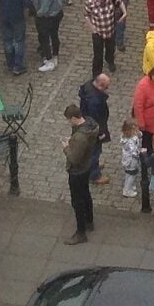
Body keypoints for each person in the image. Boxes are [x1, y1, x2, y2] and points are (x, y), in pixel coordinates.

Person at [62, 104, 99, 244]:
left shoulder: (81, 137)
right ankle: (89, 220)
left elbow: (74, 158)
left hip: (77, 170)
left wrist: (66, 148)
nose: (68, 123)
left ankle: (81, 232)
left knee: (77, 200)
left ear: (73, 118)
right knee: (86, 194)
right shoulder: (90, 125)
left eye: (68, 120)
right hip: (87, 166)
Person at [84, 0, 126, 78]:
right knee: (97, 54)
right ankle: (96, 73)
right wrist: (92, 28)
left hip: (111, 29)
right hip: (98, 32)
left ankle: (110, 60)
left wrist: (125, 12)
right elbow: (86, 15)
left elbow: (120, 2)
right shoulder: (90, 2)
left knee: (110, 49)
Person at [79, 73, 113, 186]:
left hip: (87, 125)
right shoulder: (94, 100)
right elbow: (95, 120)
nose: (107, 90)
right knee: (94, 151)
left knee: (92, 150)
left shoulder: (88, 87)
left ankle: (93, 165)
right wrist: (101, 133)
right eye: (106, 87)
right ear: (100, 85)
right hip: (93, 129)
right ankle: (94, 174)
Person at [31, 0, 65, 72]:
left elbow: (44, 9)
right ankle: (55, 56)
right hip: (58, 13)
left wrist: (37, 14)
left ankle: (49, 60)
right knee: (54, 35)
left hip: (47, 17)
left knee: (44, 38)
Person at [119, 119, 143, 197]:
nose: (135, 130)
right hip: (131, 161)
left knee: (129, 174)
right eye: (133, 129)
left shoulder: (130, 136)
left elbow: (139, 136)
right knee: (131, 175)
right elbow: (134, 152)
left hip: (128, 160)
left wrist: (138, 134)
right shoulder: (129, 142)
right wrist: (140, 153)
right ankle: (127, 190)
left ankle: (129, 186)